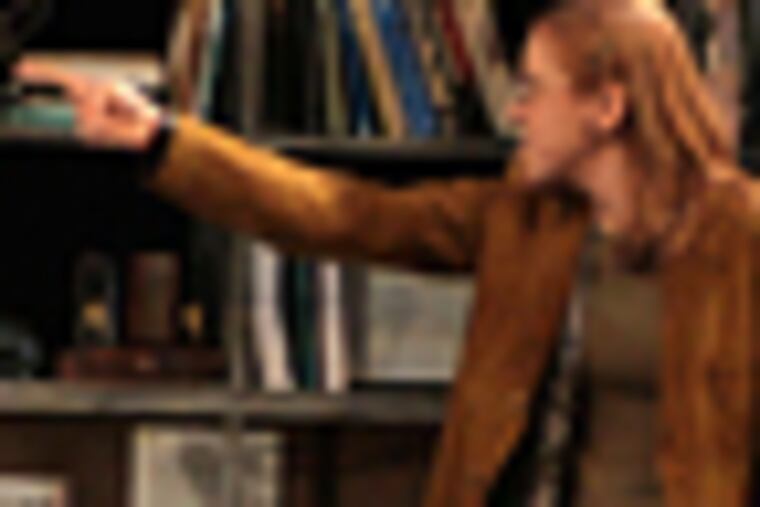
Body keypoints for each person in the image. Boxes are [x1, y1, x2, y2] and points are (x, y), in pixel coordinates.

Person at [16, 3, 758, 506]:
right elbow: (349, 214)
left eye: (535, 91)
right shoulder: (527, 220)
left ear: (607, 107)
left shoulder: (740, 235)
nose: (516, 112)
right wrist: (166, 142)